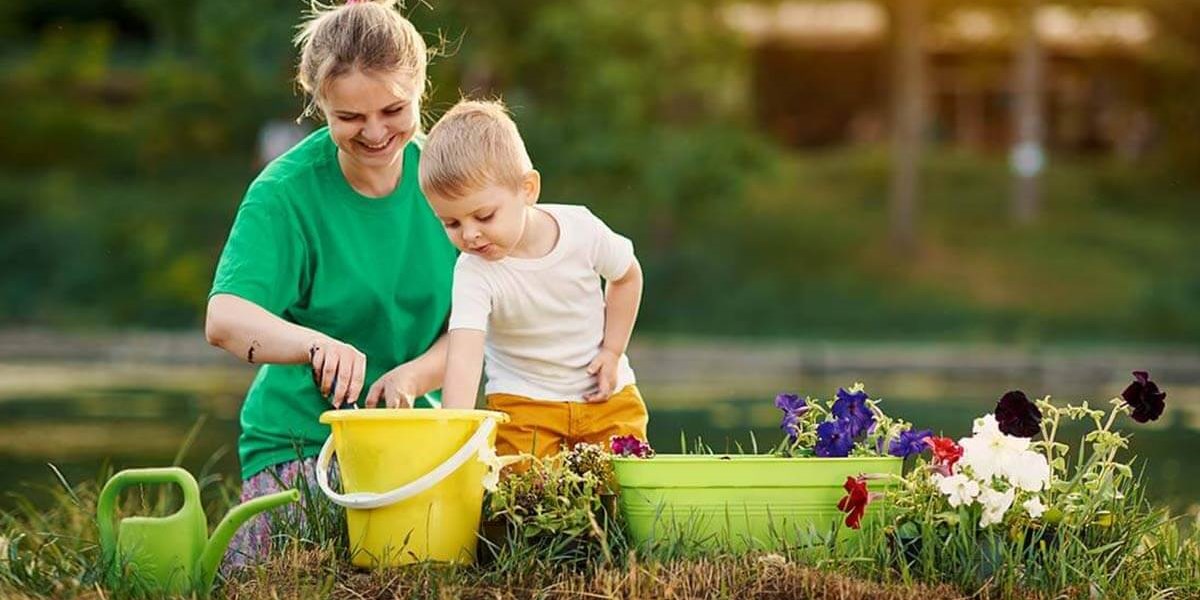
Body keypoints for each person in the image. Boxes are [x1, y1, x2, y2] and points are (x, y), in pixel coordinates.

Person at [204, 0, 455, 567]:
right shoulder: (285, 193)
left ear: (420, 87)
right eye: (349, 118)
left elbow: (474, 326)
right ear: (319, 104)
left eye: (393, 110)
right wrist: (312, 344)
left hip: (415, 440)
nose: (374, 133)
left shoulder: (450, 180)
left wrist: (413, 376)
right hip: (301, 440)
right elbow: (224, 319)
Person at [418, 99, 649, 459]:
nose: (470, 235)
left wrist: (612, 349)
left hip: (606, 397)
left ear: (527, 189)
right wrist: (455, 436)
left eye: (484, 215)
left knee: (627, 485)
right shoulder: (472, 272)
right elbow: (464, 356)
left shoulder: (582, 230)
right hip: (523, 405)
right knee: (525, 496)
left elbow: (627, 275)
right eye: (452, 223)